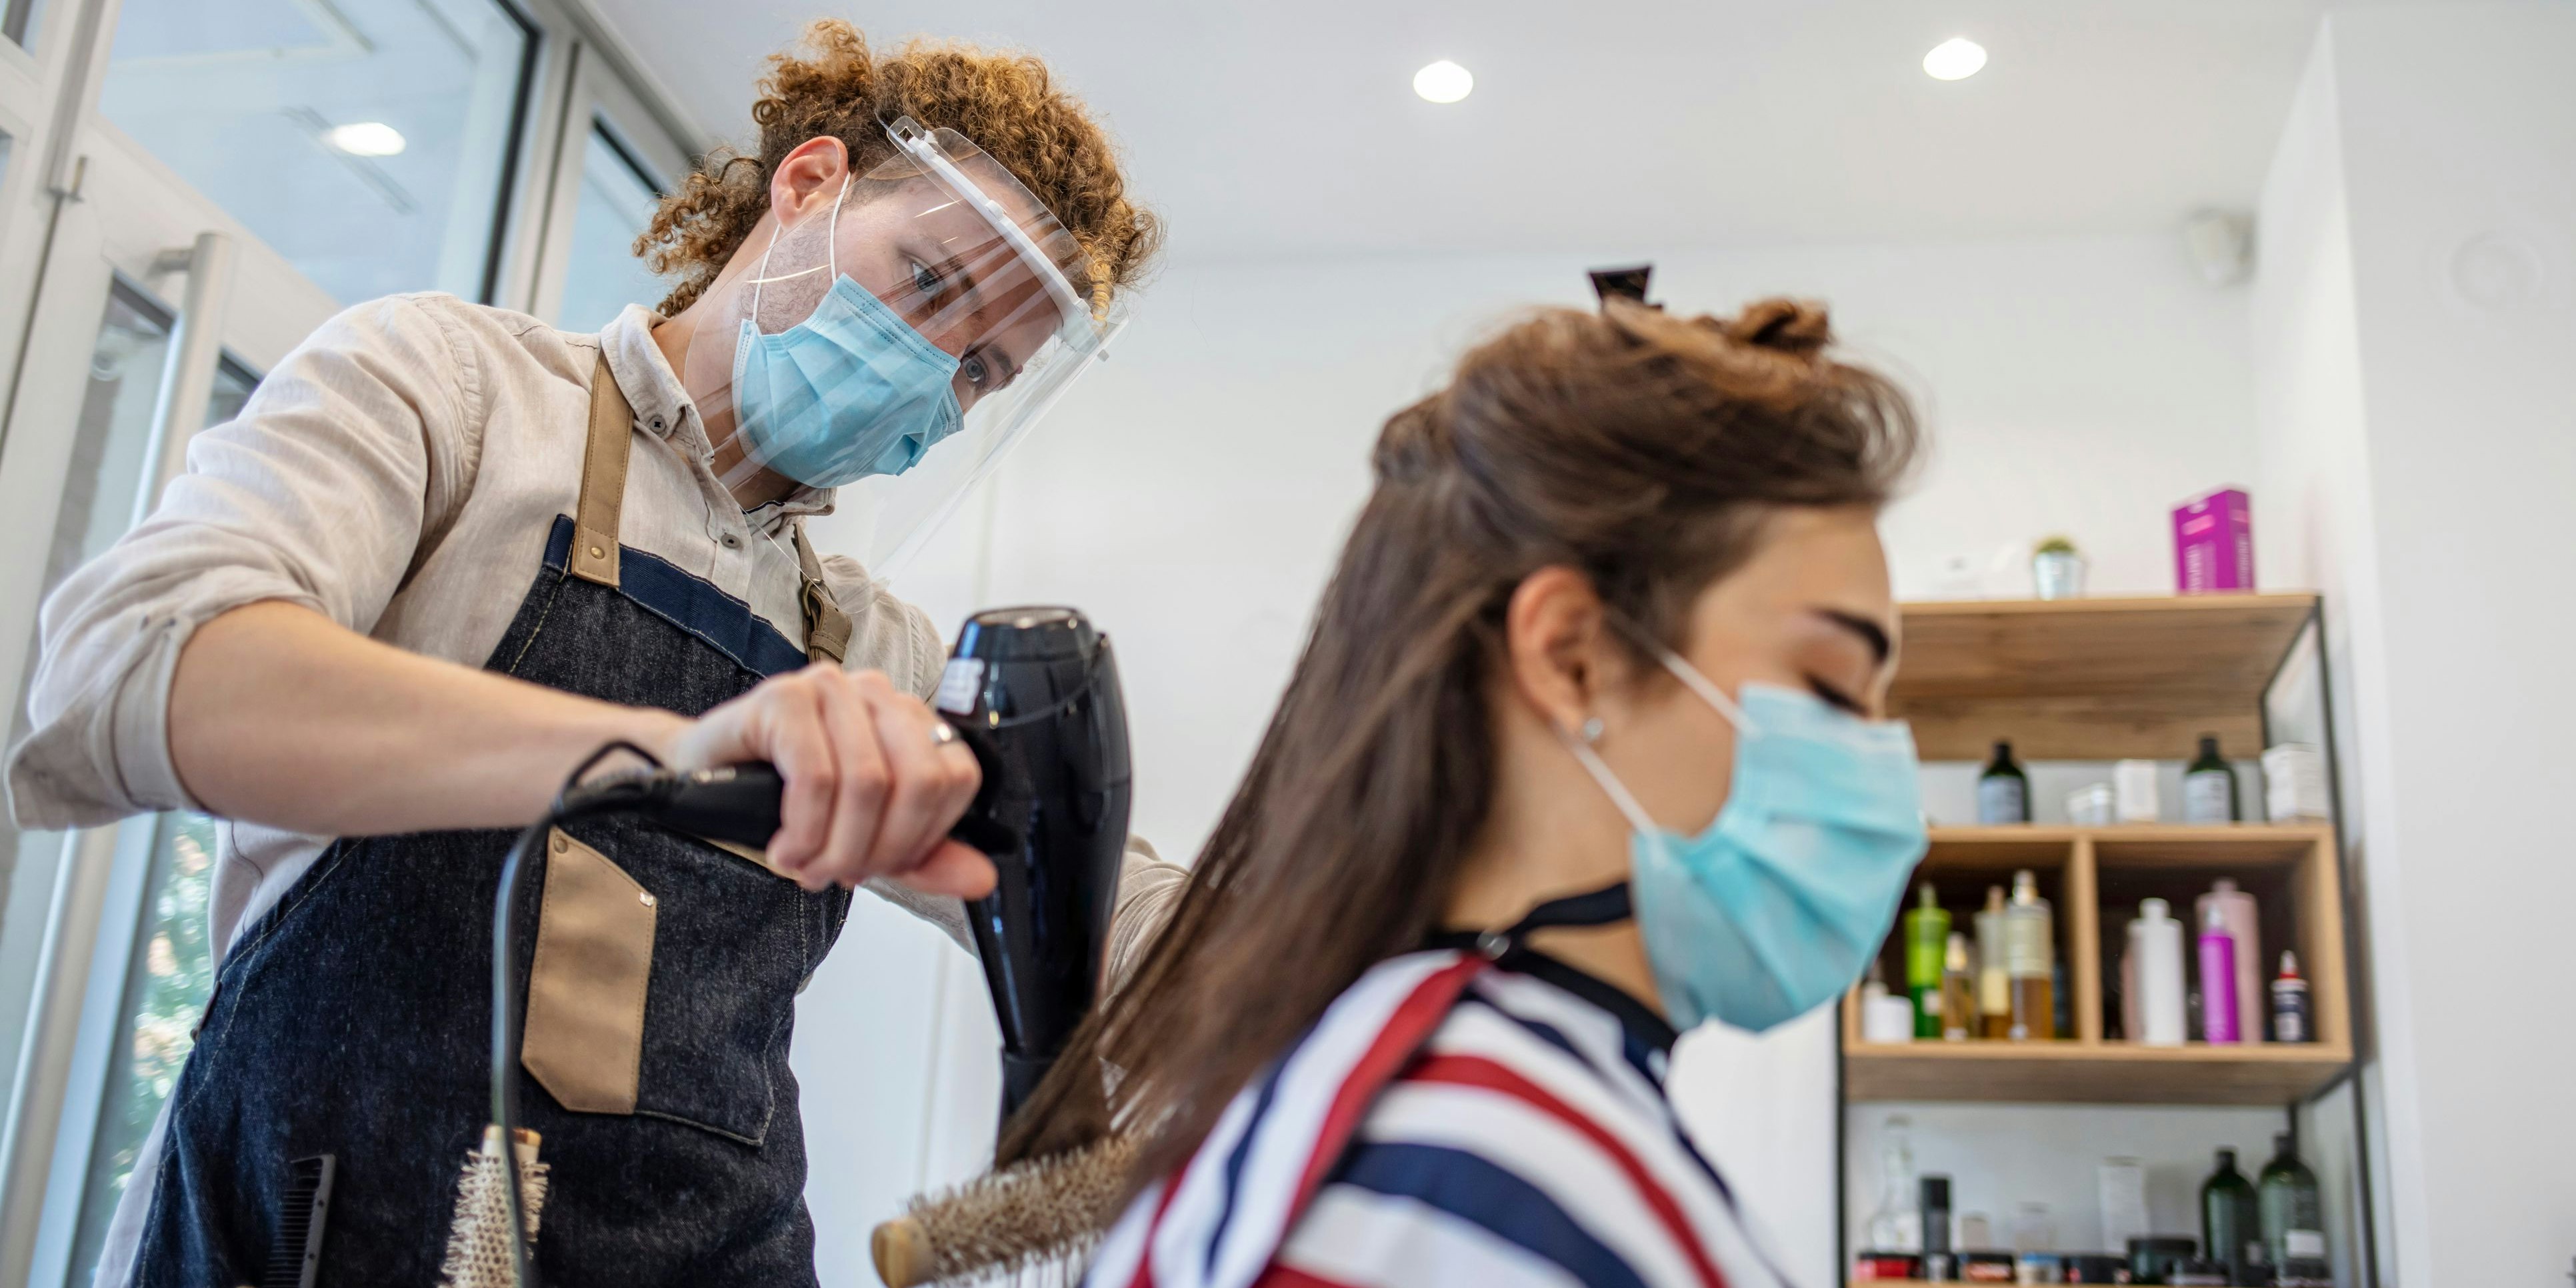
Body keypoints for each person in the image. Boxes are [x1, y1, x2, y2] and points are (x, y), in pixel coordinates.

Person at [4, 21, 1181, 1288]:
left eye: (981, 372)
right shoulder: (458, 395)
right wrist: (672, 754)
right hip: (316, 1224)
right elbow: (123, 670)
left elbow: (1113, 905)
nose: (930, 376)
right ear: (808, 186)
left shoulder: (869, 646)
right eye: (931, 287)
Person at [1005, 295, 1929, 1287]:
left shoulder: (1365, 1084)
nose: (1882, 766)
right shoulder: (1495, 1182)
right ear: (1571, 656)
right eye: (1832, 686)